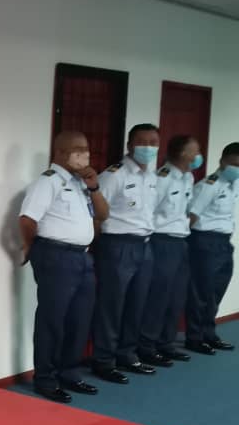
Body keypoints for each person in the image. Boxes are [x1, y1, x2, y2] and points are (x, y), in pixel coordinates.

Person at [18, 131, 109, 403]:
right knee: (52, 320)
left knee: (79, 319)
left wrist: (94, 187)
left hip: (82, 257)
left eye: (86, 148)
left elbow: (103, 214)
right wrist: (30, 247)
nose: (84, 153)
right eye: (77, 149)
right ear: (59, 152)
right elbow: (27, 219)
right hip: (55, 255)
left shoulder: (82, 183)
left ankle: (69, 373)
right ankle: (45, 378)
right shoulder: (48, 182)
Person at [91, 124, 161, 384]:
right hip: (117, 245)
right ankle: (104, 360)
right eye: (142, 142)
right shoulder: (114, 175)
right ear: (130, 145)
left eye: (153, 142)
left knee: (137, 303)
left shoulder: (151, 177)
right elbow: (95, 213)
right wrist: (95, 246)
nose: (148, 147)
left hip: (144, 244)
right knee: (112, 305)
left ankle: (127, 354)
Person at [138, 135, 202, 365]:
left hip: (181, 242)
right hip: (161, 241)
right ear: (183, 153)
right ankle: (146, 346)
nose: (198, 156)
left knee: (176, 297)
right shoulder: (162, 178)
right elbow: (148, 210)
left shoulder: (188, 177)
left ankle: (166, 343)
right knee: (158, 297)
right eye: (195, 151)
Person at [185, 142, 239, 354]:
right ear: (222, 161)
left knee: (216, 292)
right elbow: (191, 217)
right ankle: (194, 338)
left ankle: (209, 333)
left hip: (224, 242)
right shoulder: (208, 185)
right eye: (234, 164)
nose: (237, 169)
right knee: (201, 293)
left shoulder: (234, 183)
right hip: (204, 242)